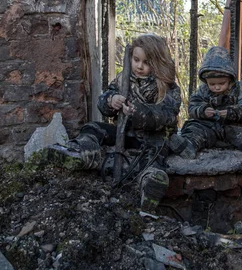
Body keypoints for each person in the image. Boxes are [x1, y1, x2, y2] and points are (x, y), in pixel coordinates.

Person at [48, 34, 181, 211]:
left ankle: (150, 184)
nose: (139, 66)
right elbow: (103, 101)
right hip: (124, 132)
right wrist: (112, 100)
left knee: (153, 157)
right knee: (93, 128)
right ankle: (84, 151)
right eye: (136, 60)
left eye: (146, 62)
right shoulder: (123, 79)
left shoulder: (166, 86)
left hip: (152, 138)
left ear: (157, 63)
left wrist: (137, 112)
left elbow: (167, 115)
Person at [171, 46, 242, 173]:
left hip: (230, 127)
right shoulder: (202, 90)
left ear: (230, 79)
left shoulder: (237, 90)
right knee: (195, 130)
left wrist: (232, 112)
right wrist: (203, 110)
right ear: (206, 81)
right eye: (212, 84)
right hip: (207, 127)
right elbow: (192, 106)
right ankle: (188, 147)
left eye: (221, 83)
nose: (217, 87)